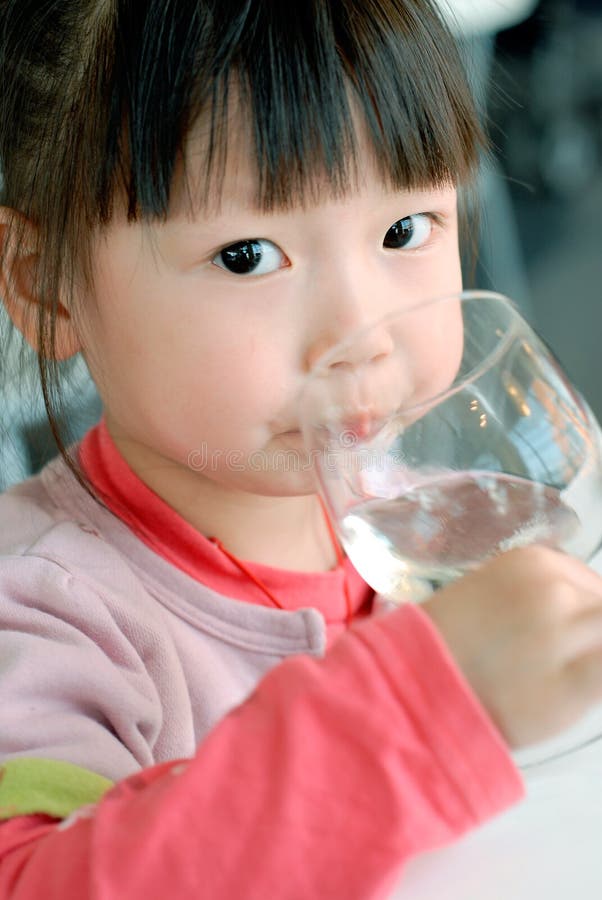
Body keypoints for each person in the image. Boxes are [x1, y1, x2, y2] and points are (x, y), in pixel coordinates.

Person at [1, 2, 602, 898]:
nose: (359, 334)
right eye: (247, 255)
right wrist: (415, 709)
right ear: (46, 288)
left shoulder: (437, 516)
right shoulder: (49, 618)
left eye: (404, 232)